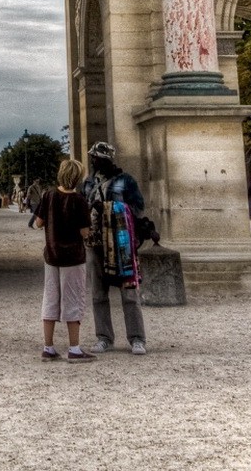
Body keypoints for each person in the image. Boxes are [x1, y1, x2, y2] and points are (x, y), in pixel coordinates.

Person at [82, 142, 147, 355]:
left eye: (96, 157)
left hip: (121, 244)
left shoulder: (126, 181)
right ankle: (104, 337)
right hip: (96, 243)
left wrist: (109, 208)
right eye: (92, 157)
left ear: (107, 159)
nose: (93, 161)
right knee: (98, 294)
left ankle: (137, 338)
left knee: (129, 293)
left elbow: (138, 207)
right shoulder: (88, 183)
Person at [33, 158, 95, 361]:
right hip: (73, 257)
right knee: (73, 300)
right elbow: (85, 233)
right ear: (77, 177)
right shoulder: (79, 201)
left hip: (52, 255)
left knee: (50, 299)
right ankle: (74, 348)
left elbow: (38, 223)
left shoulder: (48, 195)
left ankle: (48, 347)